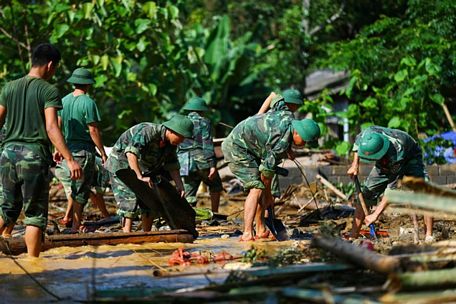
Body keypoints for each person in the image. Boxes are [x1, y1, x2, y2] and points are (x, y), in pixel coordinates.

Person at [0, 43, 82, 257]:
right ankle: (34, 267)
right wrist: (70, 159)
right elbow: (51, 127)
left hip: (8, 155)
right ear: (50, 65)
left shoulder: (9, 87)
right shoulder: (48, 90)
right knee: (35, 215)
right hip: (33, 156)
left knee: (6, 209)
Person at [222, 111, 320, 241]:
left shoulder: (288, 117)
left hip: (252, 149)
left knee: (262, 189)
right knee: (257, 188)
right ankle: (247, 232)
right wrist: (268, 195)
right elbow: (266, 173)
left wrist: (288, 150)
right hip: (237, 149)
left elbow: (276, 100)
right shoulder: (280, 143)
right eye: (305, 141)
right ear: (296, 133)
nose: (304, 145)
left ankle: (261, 229)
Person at [105, 114, 193, 233]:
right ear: (172, 131)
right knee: (129, 201)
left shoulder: (171, 144)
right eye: (181, 137)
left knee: (150, 201)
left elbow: (172, 164)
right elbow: (131, 153)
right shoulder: (147, 131)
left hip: (145, 168)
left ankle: (146, 234)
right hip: (122, 166)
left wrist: (179, 184)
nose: (182, 141)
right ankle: (127, 234)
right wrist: (139, 176)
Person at [347, 126, 434, 242]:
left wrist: (375, 214)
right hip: (386, 157)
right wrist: (355, 164)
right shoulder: (367, 134)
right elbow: (357, 145)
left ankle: (429, 236)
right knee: (367, 193)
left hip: (410, 157)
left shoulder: (397, 153)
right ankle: (353, 236)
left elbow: (391, 190)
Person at [54, 67, 108, 233]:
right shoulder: (88, 102)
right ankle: (76, 226)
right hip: (84, 151)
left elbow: (57, 125)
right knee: (81, 191)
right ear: (88, 84)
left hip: (67, 151)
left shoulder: (64, 100)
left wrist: (57, 148)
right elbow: (93, 130)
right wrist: (103, 152)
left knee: (74, 186)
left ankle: (70, 219)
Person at [177, 97, 223, 212]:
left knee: (189, 190)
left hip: (184, 162)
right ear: (202, 110)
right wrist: (212, 165)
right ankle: (215, 213)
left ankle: (189, 216)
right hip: (201, 160)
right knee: (215, 185)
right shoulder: (204, 122)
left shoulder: (180, 122)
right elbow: (207, 143)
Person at [258, 89, 304, 198]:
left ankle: (267, 209)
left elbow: (272, 94)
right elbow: (284, 138)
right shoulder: (288, 117)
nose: (298, 108)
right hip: (268, 151)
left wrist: (259, 114)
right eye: (297, 105)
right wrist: (259, 114)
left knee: (264, 185)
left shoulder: (278, 105)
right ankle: (268, 212)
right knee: (269, 186)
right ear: (292, 103)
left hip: (262, 146)